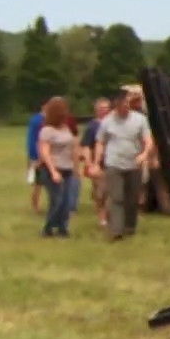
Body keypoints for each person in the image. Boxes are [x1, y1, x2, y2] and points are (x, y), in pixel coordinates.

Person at [94, 92, 154, 239]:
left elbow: (148, 140)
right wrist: (97, 161)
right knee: (117, 197)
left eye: (127, 105)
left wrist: (144, 154)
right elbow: (100, 142)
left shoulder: (140, 120)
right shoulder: (107, 121)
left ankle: (129, 226)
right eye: (122, 106)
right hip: (114, 163)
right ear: (116, 107)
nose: (125, 108)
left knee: (132, 198)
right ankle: (116, 231)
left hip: (134, 164)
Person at [35, 96, 78, 237]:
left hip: (67, 168)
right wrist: (53, 171)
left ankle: (62, 228)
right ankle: (48, 228)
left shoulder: (65, 128)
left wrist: (75, 166)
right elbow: (45, 152)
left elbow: (72, 147)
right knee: (57, 200)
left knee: (67, 201)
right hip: (52, 169)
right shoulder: (47, 130)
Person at [78, 98, 112, 229]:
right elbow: (86, 146)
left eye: (107, 108)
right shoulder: (92, 127)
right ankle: (102, 218)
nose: (104, 110)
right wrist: (90, 164)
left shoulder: (114, 123)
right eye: (101, 108)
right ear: (96, 110)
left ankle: (113, 217)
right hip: (99, 165)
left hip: (114, 162)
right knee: (101, 193)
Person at [24, 107, 45, 212]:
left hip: (39, 154)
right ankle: (35, 205)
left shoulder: (36, 119)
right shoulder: (39, 120)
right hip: (38, 155)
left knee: (39, 182)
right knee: (38, 182)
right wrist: (35, 157)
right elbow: (34, 140)